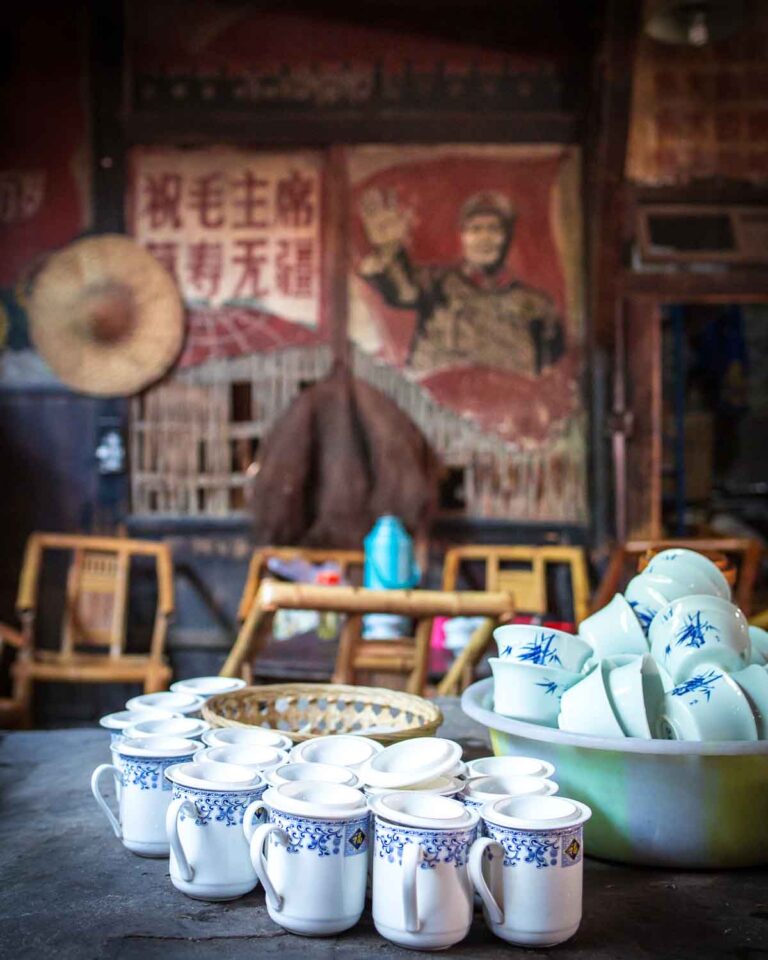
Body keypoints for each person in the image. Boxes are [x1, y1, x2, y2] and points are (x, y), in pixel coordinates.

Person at [358, 188, 564, 376]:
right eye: (475, 230)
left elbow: (553, 369)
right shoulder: (434, 283)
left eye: (494, 229)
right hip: (435, 408)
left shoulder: (536, 305)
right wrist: (389, 250)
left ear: (506, 237)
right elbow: (402, 293)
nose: (485, 238)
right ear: (463, 236)